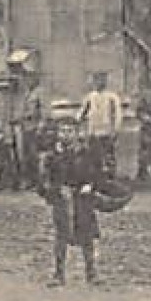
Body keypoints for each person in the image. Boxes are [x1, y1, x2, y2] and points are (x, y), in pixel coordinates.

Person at [38, 118, 104, 287]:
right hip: (62, 200)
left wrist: (90, 185)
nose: (66, 135)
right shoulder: (51, 157)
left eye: (70, 131)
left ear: (76, 133)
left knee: (87, 235)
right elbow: (43, 182)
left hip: (82, 199)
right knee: (61, 236)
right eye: (63, 131)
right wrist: (56, 190)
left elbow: (97, 174)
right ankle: (58, 274)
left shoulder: (85, 154)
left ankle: (91, 272)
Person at [78, 70, 123, 179]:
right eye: (97, 80)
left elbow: (117, 114)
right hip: (93, 132)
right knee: (93, 155)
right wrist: (79, 125)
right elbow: (82, 113)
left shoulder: (112, 97)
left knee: (108, 155)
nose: (99, 82)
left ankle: (110, 177)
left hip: (107, 132)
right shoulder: (90, 97)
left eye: (102, 80)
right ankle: (95, 177)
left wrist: (116, 129)